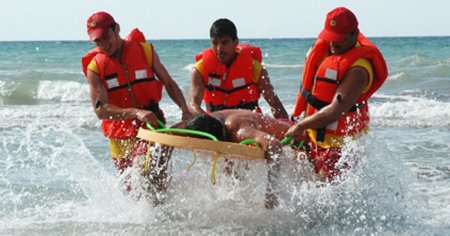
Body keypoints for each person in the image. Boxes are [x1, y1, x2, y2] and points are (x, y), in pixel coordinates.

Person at [81, 12, 192, 174]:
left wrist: (185, 110)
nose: (104, 44)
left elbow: (168, 82)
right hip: (119, 135)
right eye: (98, 41)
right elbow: (100, 110)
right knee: (135, 190)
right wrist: (136, 112)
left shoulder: (145, 51)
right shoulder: (95, 68)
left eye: (106, 37)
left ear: (117, 29)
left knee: (143, 170)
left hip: (151, 125)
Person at [286, 7, 388, 180]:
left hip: (341, 148)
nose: (333, 43)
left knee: (322, 191)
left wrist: (301, 125)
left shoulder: (359, 70)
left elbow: (335, 111)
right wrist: (303, 126)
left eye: (338, 39)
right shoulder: (323, 50)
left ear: (354, 34)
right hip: (312, 137)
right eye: (330, 37)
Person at [175, 109, 294, 209]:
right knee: (231, 175)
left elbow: (275, 145)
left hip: (294, 136)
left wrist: (271, 192)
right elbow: (168, 134)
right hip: (249, 129)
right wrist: (160, 175)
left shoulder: (239, 132)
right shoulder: (198, 124)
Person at [189, 18, 289, 119]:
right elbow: (193, 105)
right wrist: (208, 122)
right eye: (215, 43)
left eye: (224, 43)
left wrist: (289, 128)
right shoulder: (200, 70)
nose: (219, 49)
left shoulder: (254, 68)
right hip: (215, 124)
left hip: (248, 124)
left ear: (235, 42)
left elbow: (275, 105)